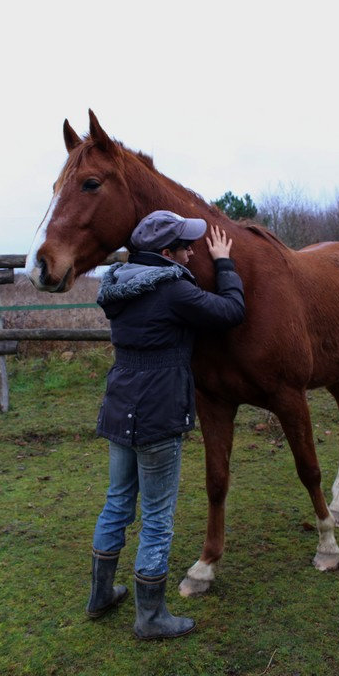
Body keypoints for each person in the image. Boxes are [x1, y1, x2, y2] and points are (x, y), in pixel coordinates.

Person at [86, 210, 245, 639]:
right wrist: (225, 264)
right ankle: (151, 616)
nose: (192, 252)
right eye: (185, 247)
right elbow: (231, 310)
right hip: (158, 414)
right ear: (165, 253)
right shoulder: (174, 290)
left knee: (117, 501)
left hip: (119, 410)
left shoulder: (117, 284)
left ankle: (100, 595)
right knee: (157, 516)